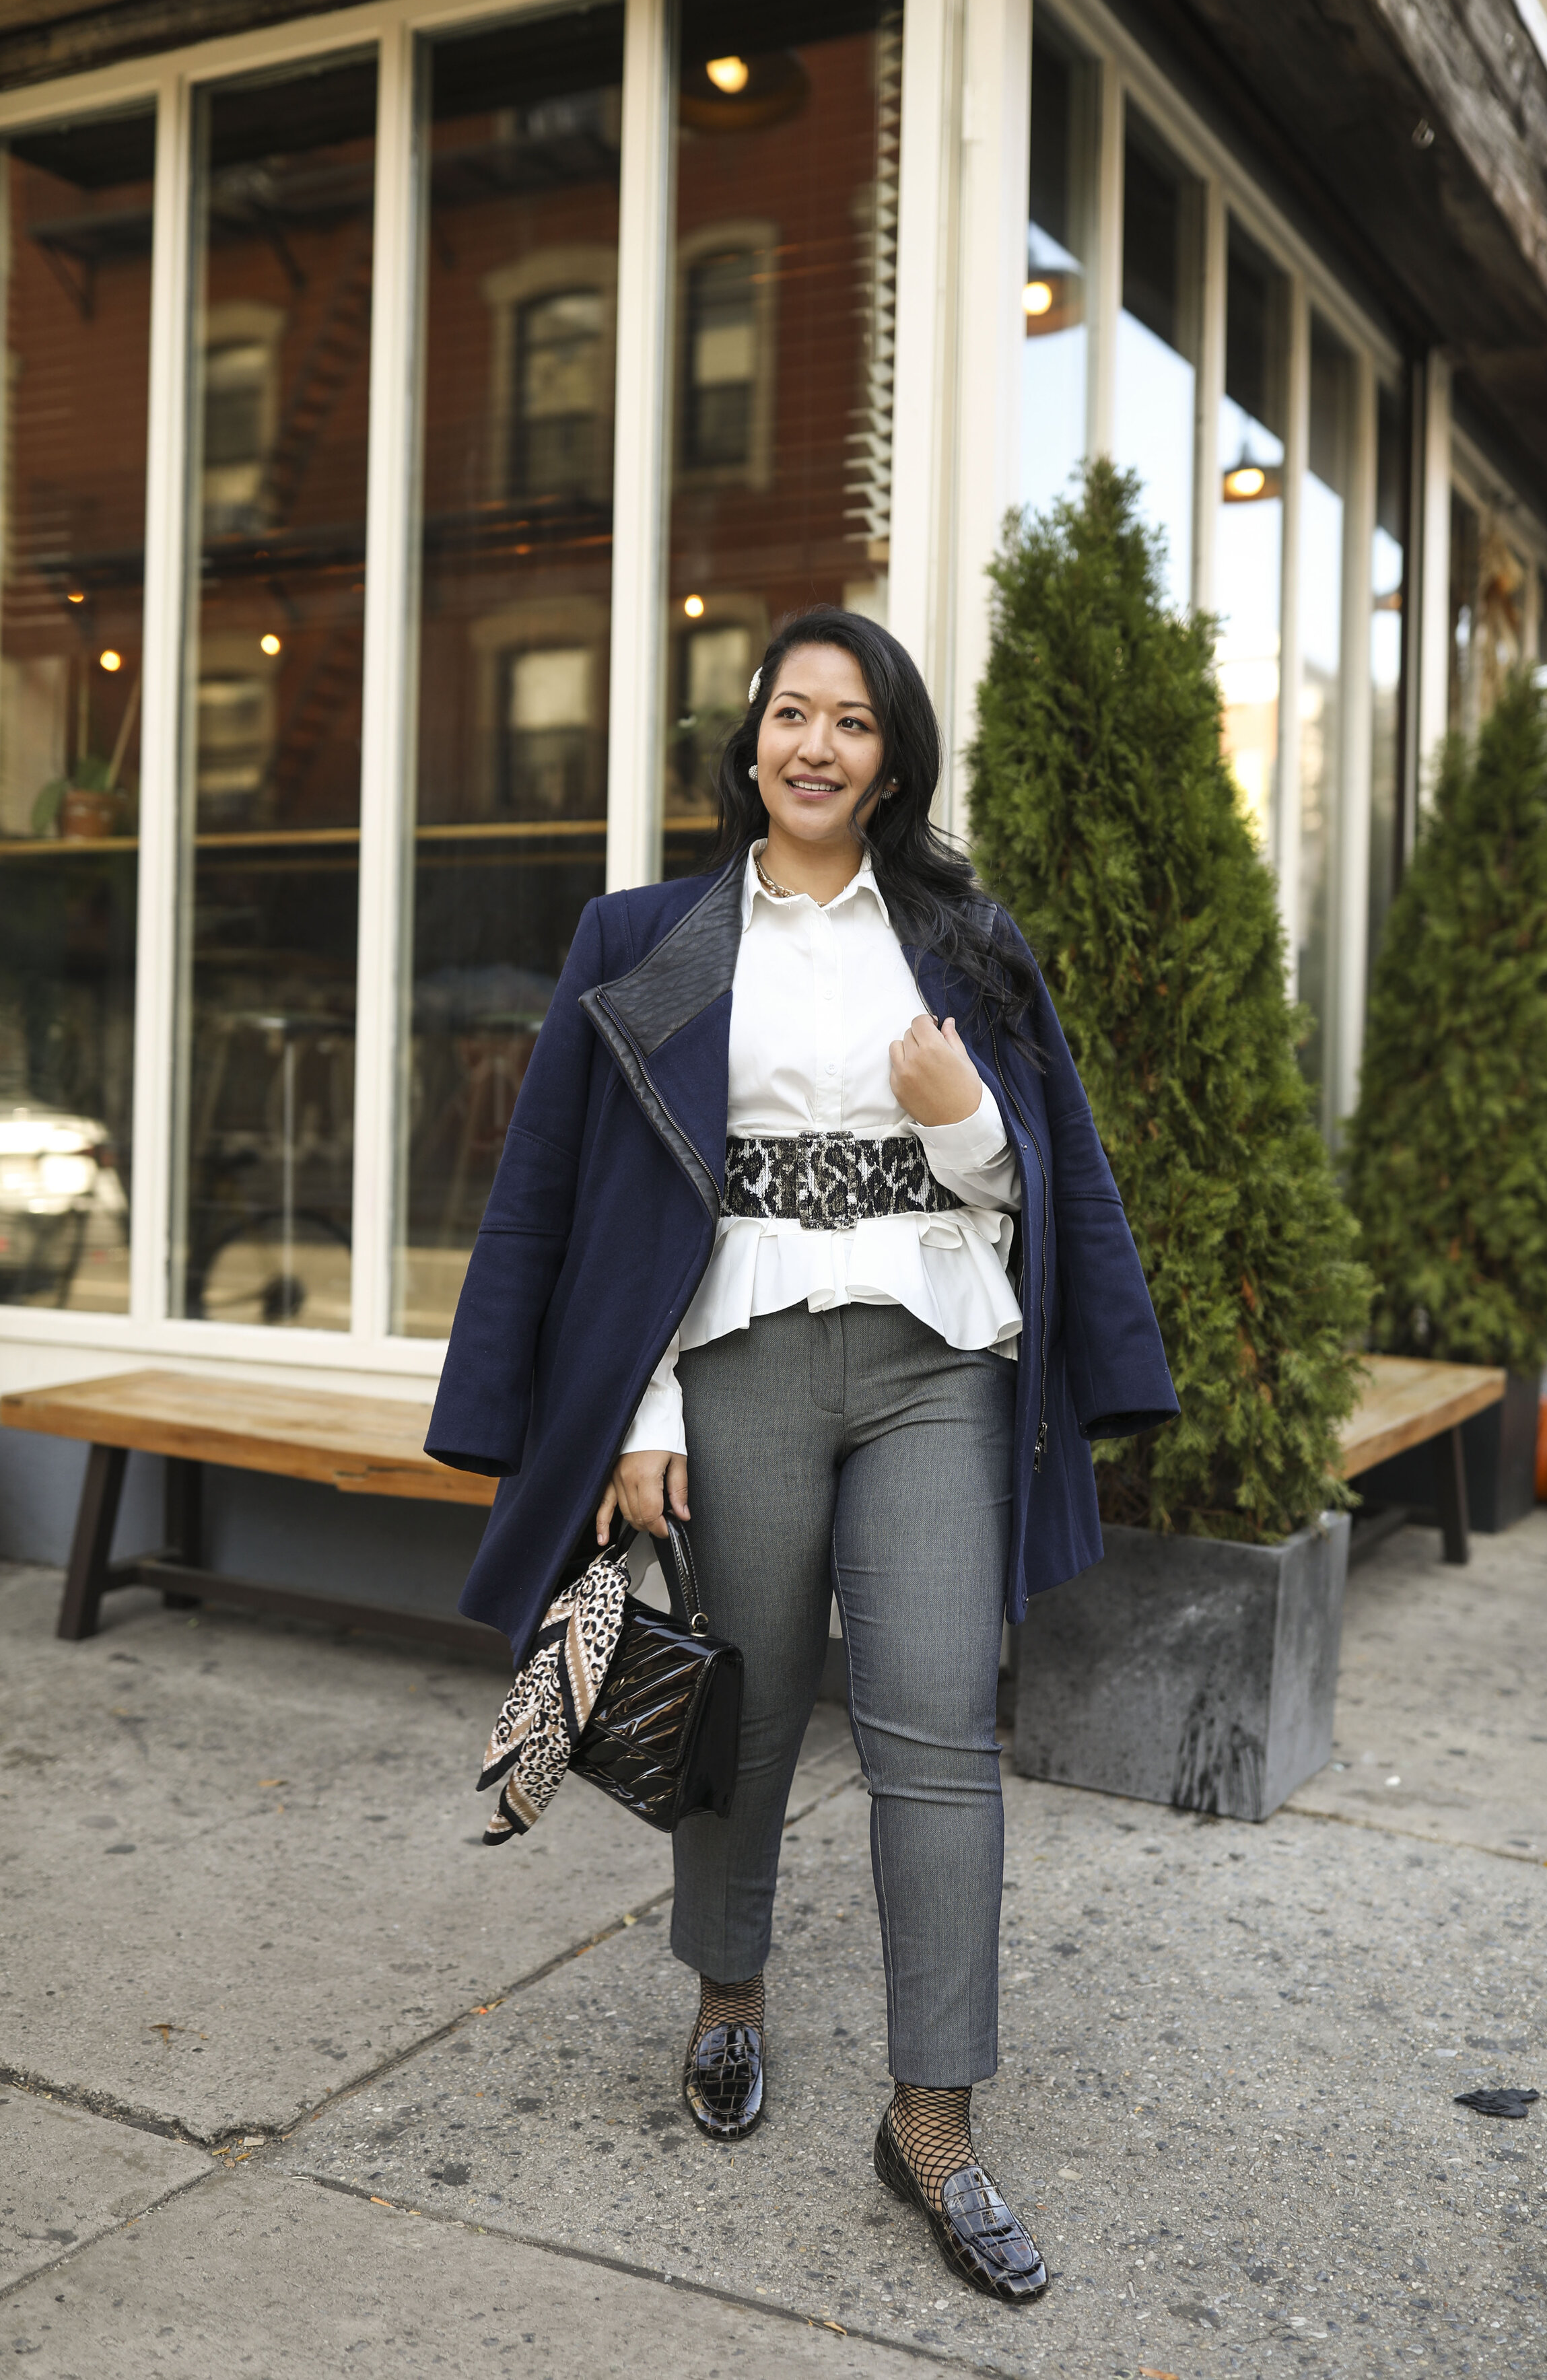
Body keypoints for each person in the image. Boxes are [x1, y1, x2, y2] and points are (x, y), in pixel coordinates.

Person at [427, 608, 1175, 2305]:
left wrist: (961, 1119)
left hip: (931, 1361)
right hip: (733, 1362)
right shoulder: (643, 935)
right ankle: (728, 1994)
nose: (815, 745)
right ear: (750, 741)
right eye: (789, 715)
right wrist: (632, 1412)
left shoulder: (965, 944)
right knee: (741, 1711)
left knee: (935, 1736)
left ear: (892, 760)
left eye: (850, 721)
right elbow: (570, 1196)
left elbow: (1037, 1186)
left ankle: (932, 2120)